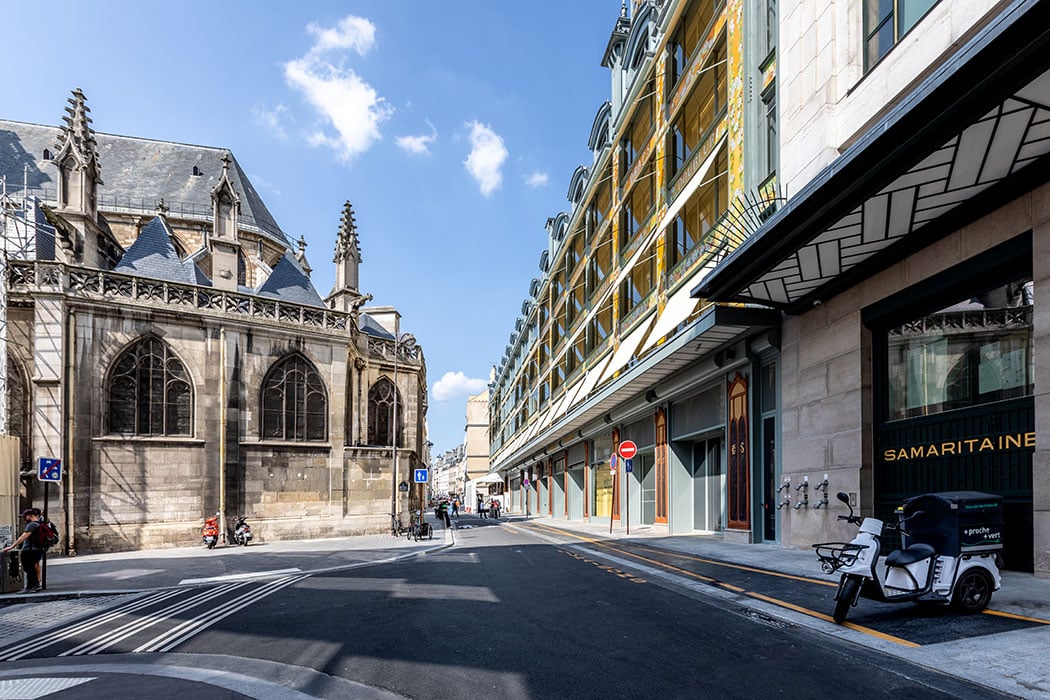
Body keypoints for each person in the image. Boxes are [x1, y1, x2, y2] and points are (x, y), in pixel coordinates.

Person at [3, 508, 45, 592]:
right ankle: (33, 585)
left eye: (25, 516)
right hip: (37, 549)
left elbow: (23, 537)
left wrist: (11, 547)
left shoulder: (32, 525)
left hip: (30, 550)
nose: (24, 518)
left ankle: (32, 586)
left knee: (28, 568)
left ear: (31, 516)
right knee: (31, 568)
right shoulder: (39, 524)